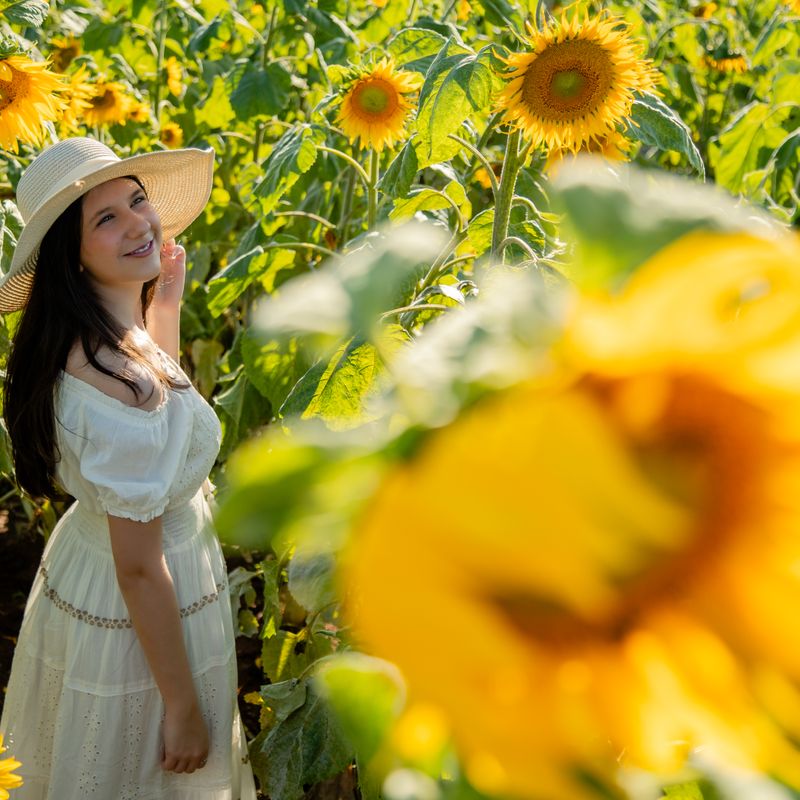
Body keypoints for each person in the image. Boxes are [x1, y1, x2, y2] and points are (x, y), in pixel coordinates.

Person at [0, 137, 257, 799]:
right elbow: (141, 566)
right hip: (144, 596)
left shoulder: (105, 343)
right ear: (71, 257)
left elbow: (159, 415)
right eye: (105, 219)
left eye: (137, 200)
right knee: (143, 764)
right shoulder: (114, 387)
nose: (138, 221)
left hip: (103, 573)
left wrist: (164, 306)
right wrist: (180, 707)